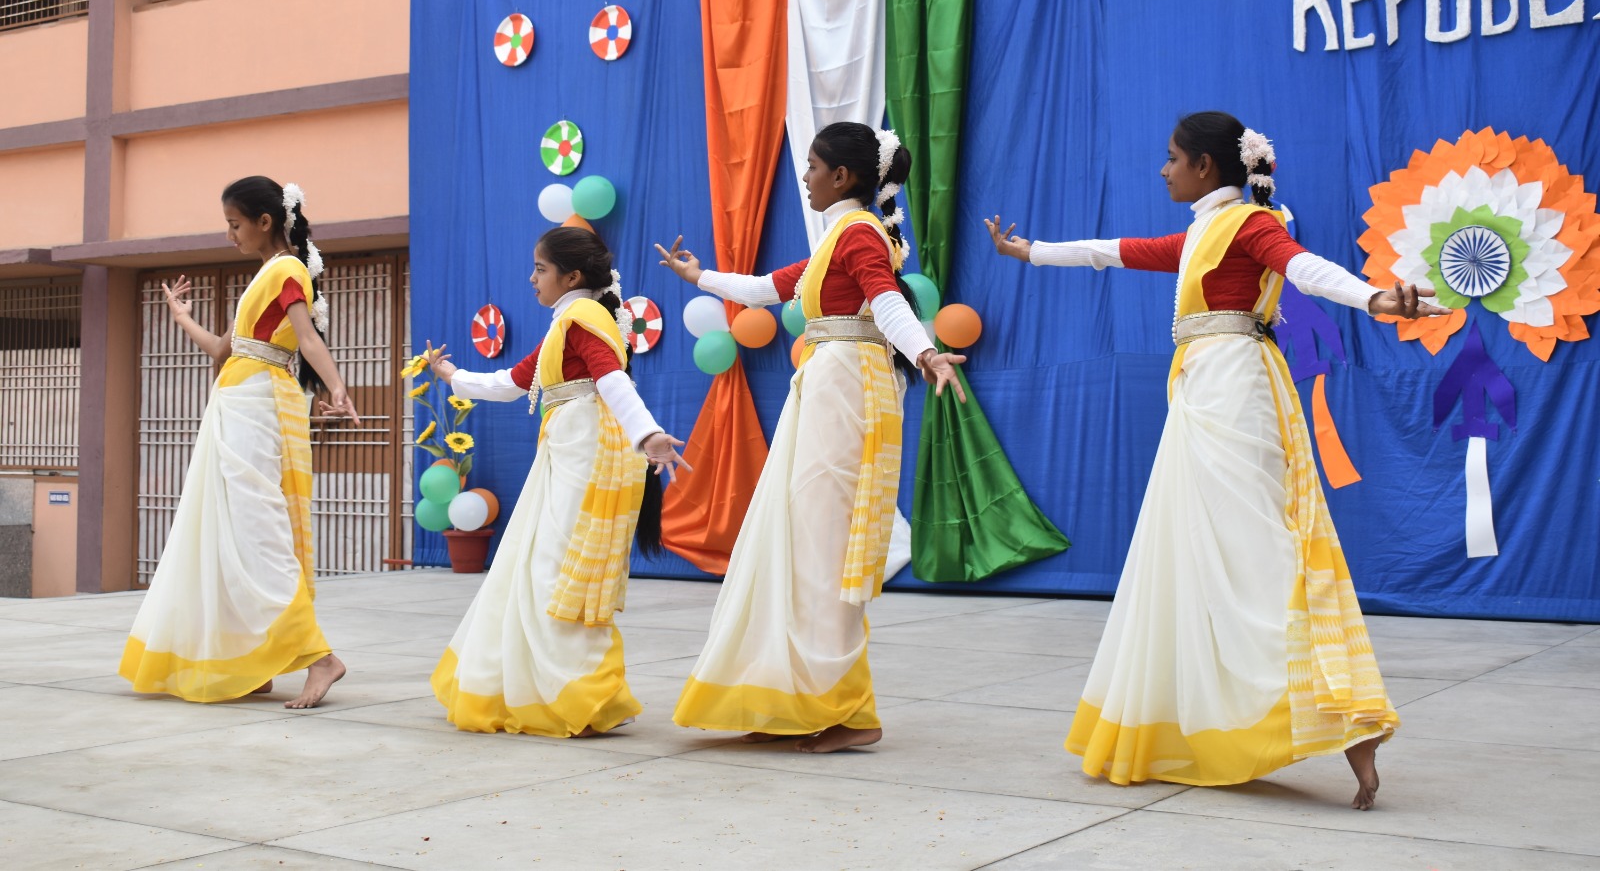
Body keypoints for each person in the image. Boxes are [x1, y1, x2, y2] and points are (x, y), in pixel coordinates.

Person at [986, 112, 1449, 810]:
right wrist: (1032, 252)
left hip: (1234, 389)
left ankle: (1341, 713)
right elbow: (1114, 251)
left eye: (1172, 158)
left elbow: (1304, 268)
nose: (1164, 169)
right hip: (1204, 387)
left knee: (1254, 551)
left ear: (1205, 166)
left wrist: (1376, 298)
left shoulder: (1250, 224)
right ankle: (1237, 722)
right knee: (1200, 556)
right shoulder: (1205, 231)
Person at [658, 121, 967, 753]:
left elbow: (887, 301)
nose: (805, 178)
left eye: (812, 167)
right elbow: (766, 289)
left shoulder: (859, 233)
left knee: (824, 547)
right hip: (828, 386)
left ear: (842, 176)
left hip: (846, 390)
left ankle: (848, 710)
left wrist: (927, 353)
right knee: (802, 543)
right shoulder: (840, 237)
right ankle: (794, 697)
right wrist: (700, 276)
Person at [424, 227, 690, 736]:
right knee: (539, 569)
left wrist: (649, 434)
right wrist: (453, 376)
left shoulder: (581, 316)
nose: (532, 278)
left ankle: (582, 695)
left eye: (540, 269)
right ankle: (561, 692)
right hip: (568, 452)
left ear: (571, 276)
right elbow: (512, 383)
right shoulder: (567, 323)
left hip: (586, 455)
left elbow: (611, 378)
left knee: (557, 572)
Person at [121, 177, 358, 709]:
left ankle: (319, 657)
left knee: (257, 530)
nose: (230, 234)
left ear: (264, 222)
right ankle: (256, 658)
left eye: (234, 224)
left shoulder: (287, 269)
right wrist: (182, 318)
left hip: (256, 405)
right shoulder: (265, 277)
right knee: (225, 530)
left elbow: (307, 336)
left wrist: (337, 386)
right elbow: (222, 350)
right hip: (236, 401)